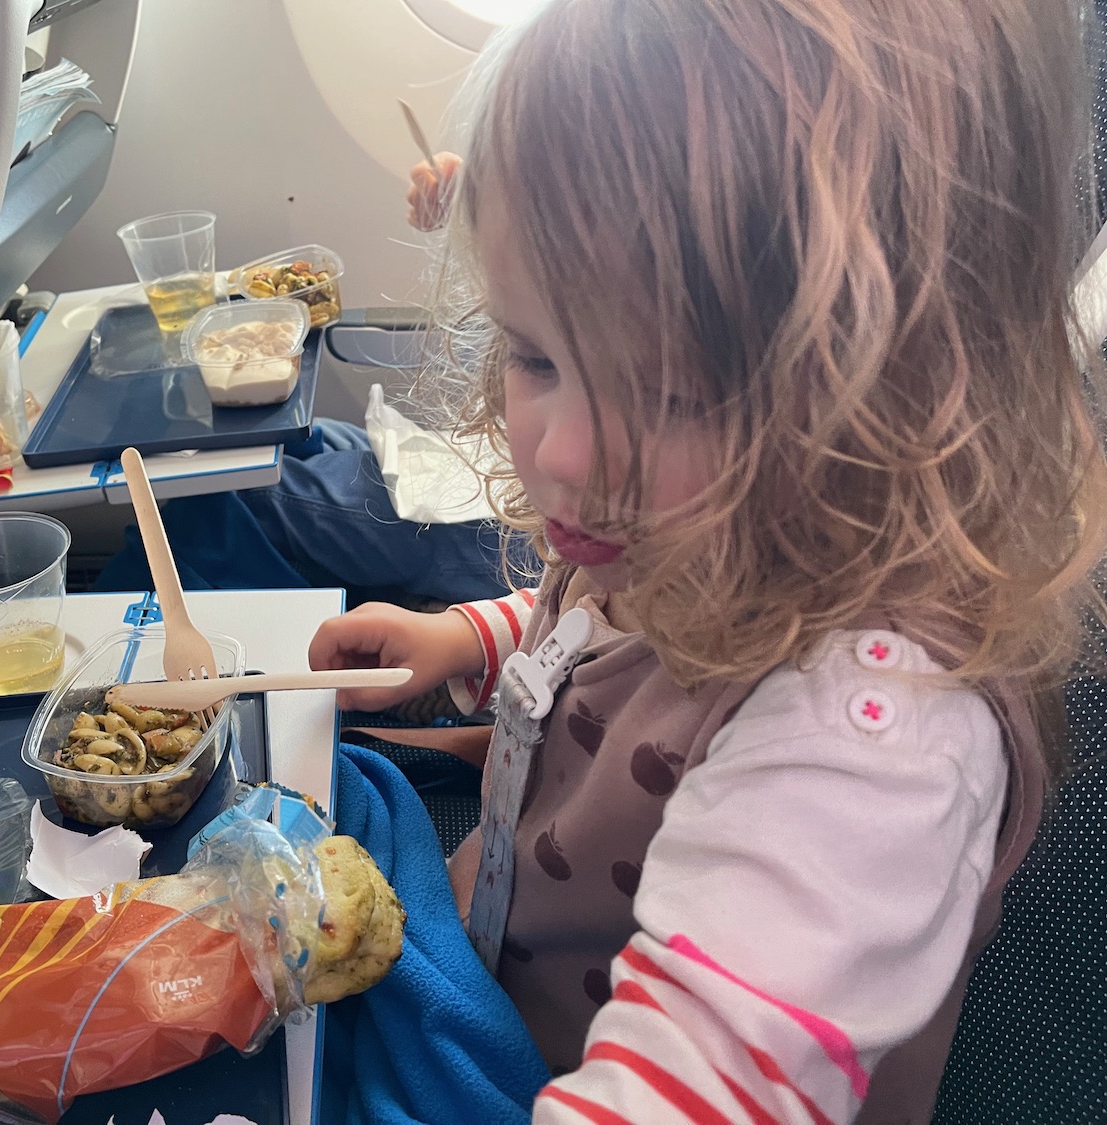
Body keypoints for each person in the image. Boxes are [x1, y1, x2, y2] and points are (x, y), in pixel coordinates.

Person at [310, 0, 1107, 1121]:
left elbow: (694, 1081)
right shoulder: (688, 524)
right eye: (534, 354)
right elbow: (590, 630)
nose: (559, 451)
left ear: (906, 386)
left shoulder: (868, 744)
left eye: (672, 391)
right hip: (493, 963)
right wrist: (465, 642)